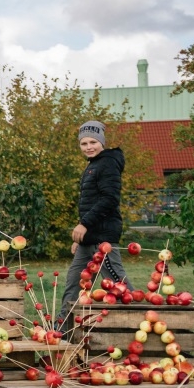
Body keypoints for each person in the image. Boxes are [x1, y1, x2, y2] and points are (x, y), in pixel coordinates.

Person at [57, 121, 130, 331]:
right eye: (84, 143)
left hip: (103, 238)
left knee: (119, 287)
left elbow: (109, 199)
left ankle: (139, 321)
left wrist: (84, 224)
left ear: (102, 142)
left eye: (93, 142)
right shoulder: (93, 164)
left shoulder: (107, 163)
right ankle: (63, 331)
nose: (88, 147)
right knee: (73, 283)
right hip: (90, 238)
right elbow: (91, 202)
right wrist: (81, 238)